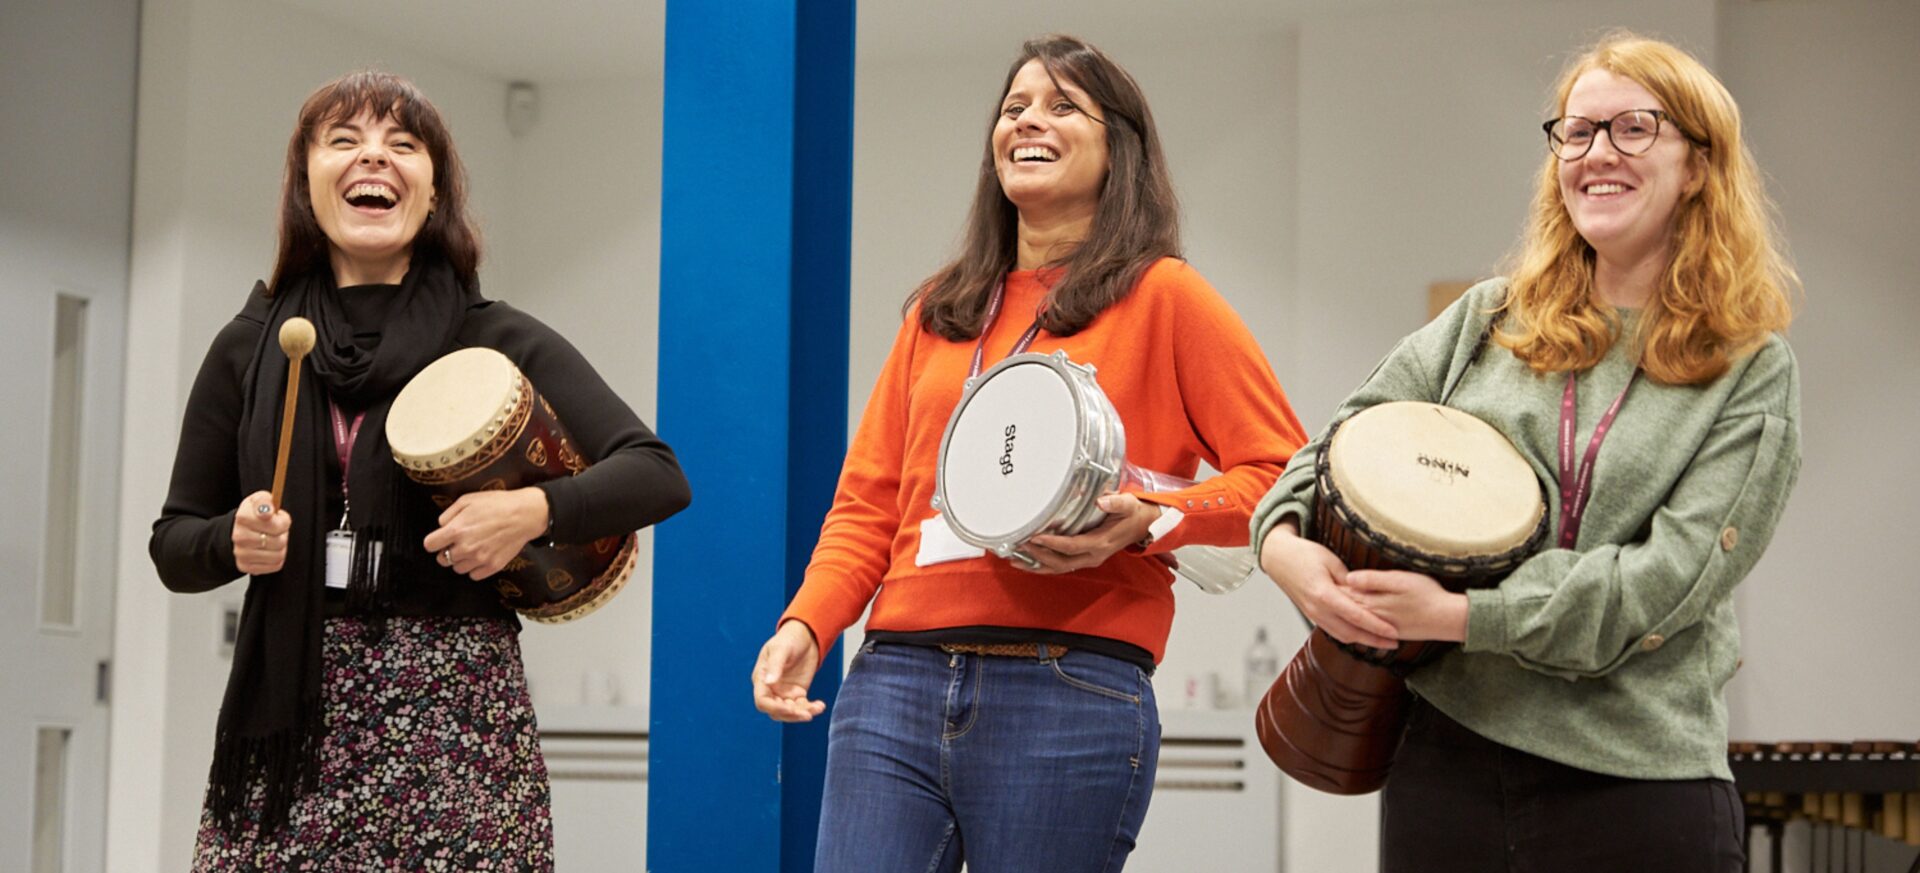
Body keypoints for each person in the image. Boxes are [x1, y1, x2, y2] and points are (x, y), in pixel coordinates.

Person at [751, 34, 1308, 872]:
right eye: (1014, 108)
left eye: (1061, 106)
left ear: (1118, 146)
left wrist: (1155, 518)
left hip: (1069, 686)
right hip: (892, 683)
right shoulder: (940, 310)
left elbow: (1286, 479)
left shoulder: (1165, 297)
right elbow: (868, 502)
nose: (1027, 122)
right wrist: (809, 620)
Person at [1252, 33, 1799, 873]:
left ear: (1697, 164)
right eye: (1575, 133)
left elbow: (1665, 582)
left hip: (1638, 786)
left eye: (1632, 129)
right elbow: (1343, 438)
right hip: (1446, 766)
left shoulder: (1750, 368)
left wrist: (1465, 616)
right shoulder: (1485, 319)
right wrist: (1282, 542)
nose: (1595, 154)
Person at [150, 70, 691, 871]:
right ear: (306, 182)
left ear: (434, 194)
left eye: (403, 144)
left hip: (456, 719)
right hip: (288, 724)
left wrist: (530, 512)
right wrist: (232, 541)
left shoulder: (492, 335)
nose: (375, 158)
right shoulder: (252, 343)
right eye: (346, 141)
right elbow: (174, 542)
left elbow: (656, 473)